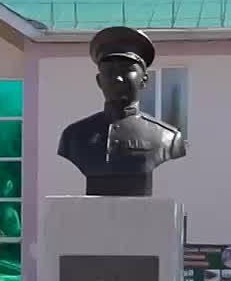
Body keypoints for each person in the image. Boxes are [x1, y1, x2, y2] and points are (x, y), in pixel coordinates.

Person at [57, 26, 186, 196]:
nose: (117, 79)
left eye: (127, 70)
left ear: (144, 79)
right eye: (109, 72)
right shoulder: (74, 136)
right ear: (99, 81)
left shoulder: (167, 138)